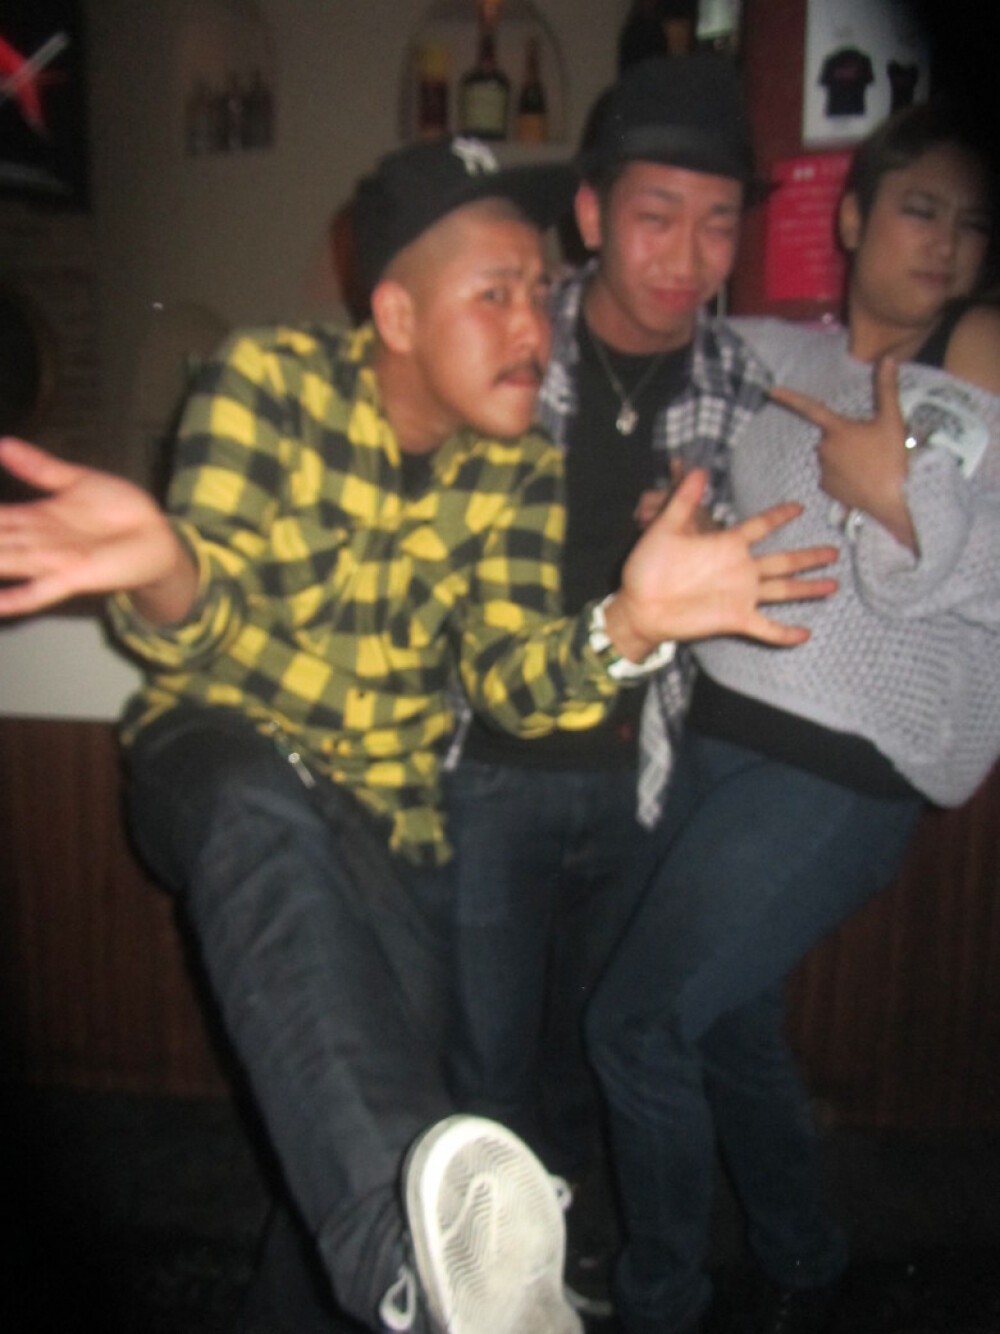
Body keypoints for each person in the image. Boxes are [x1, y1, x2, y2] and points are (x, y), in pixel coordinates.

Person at [0, 135, 838, 1334]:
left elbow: (504, 679)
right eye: (493, 293)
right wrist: (171, 575)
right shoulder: (265, 381)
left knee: (372, 1110)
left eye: (538, 291)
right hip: (218, 754)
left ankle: (397, 1275)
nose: (534, 326)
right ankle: (404, 1253)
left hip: (388, 817)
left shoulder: (519, 469)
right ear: (396, 314)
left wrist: (625, 625)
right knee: (254, 802)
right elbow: (204, 648)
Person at [586, 101, 1000, 1334]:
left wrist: (897, 494)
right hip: (713, 733)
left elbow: (943, 565)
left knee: (636, 1022)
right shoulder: (769, 354)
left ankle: (660, 1300)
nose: (946, 242)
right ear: (854, 217)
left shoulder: (973, 362)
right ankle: (806, 1262)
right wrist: (686, 520)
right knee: (726, 1022)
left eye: (972, 223)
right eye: (919, 209)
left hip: (840, 770)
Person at [442, 54, 773, 1316]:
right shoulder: (509, 340)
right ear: (590, 213)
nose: (687, 254)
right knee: (483, 1055)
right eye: (655, 215)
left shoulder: (741, 376)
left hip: (641, 773)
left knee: (591, 1041)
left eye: (718, 221)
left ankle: (567, 1254)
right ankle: (483, 1278)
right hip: (488, 766)